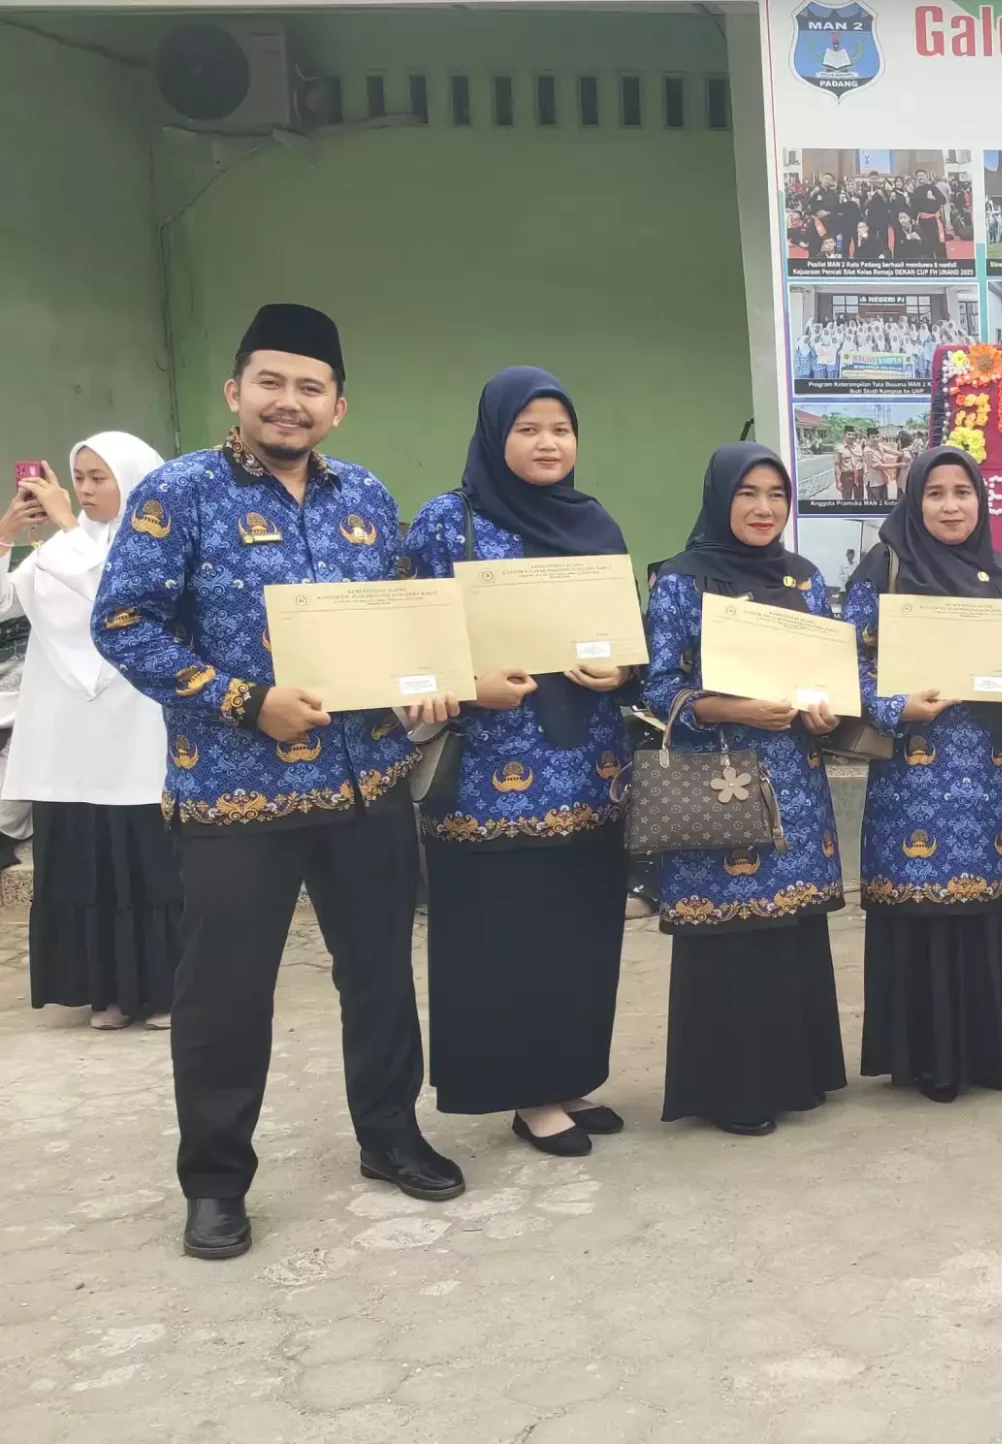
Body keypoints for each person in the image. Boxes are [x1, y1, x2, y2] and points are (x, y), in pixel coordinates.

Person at [93, 304, 462, 1261]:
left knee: (379, 976)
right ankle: (216, 1182)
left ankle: (389, 1135)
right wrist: (244, 700)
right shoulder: (180, 493)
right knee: (225, 993)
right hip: (234, 792)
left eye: (310, 387)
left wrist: (425, 686)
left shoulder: (365, 494)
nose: (288, 402)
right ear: (235, 392)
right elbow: (123, 624)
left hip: (364, 787)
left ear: (338, 406)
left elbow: (396, 621)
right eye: (271, 383)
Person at [400, 368, 636, 1158]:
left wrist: (619, 671)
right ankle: (529, 1095)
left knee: (580, 932)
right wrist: (472, 687)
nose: (547, 443)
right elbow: (409, 642)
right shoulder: (448, 523)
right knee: (509, 937)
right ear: (495, 435)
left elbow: (625, 637)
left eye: (560, 429)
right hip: (489, 782)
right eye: (527, 428)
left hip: (589, 772)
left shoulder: (594, 522)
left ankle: (569, 1078)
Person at [643, 443, 848, 1136]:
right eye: (747, 494)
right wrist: (734, 709)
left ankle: (799, 1077)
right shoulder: (683, 580)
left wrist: (826, 710)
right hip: (722, 780)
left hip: (795, 782)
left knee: (791, 930)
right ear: (719, 497)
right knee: (733, 937)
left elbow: (827, 674)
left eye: (776, 495)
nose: (764, 509)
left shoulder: (803, 579)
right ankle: (735, 1092)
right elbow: (658, 689)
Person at [842, 446, 1002, 1101]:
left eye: (964, 493)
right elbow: (847, 667)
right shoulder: (883, 571)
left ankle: (990, 1050)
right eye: (936, 494)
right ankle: (929, 1058)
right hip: (915, 779)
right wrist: (896, 706)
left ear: (980, 501)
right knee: (923, 910)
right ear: (914, 501)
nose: (952, 506)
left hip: (988, 779)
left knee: (986, 909)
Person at [6, 433, 177, 1031]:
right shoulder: (62, 547)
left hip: (136, 731)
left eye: (98, 477)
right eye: (78, 477)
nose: (83, 490)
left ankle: (163, 989)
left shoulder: (159, 544)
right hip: (68, 737)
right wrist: (5, 534)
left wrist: (64, 527)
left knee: (146, 857)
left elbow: (116, 594)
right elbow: (8, 602)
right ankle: (104, 989)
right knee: (86, 856)